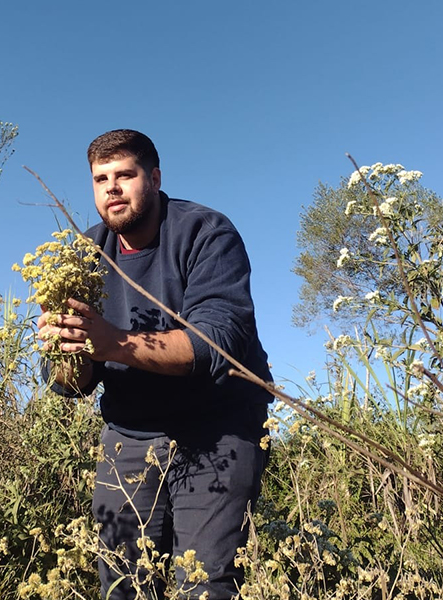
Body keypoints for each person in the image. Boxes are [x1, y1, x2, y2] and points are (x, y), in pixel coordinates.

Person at [37, 129, 272, 599]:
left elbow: (217, 345)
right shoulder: (82, 254)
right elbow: (71, 386)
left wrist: (111, 343)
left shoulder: (205, 232)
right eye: (101, 178)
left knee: (203, 584)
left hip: (219, 427)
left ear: (155, 177)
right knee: (122, 582)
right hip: (130, 433)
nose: (112, 188)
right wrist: (68, 350)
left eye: (125, 174)